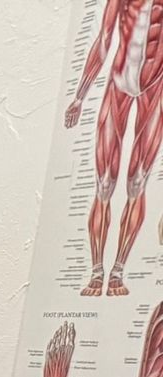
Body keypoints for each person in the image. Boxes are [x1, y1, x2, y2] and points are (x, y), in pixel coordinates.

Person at [67, 0, 163, 297]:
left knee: (137, 183)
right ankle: (97, 272)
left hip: (156, 89)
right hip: (119, 85)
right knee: (105, 184)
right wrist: (80, 96)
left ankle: (118, 270)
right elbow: (104, 39)